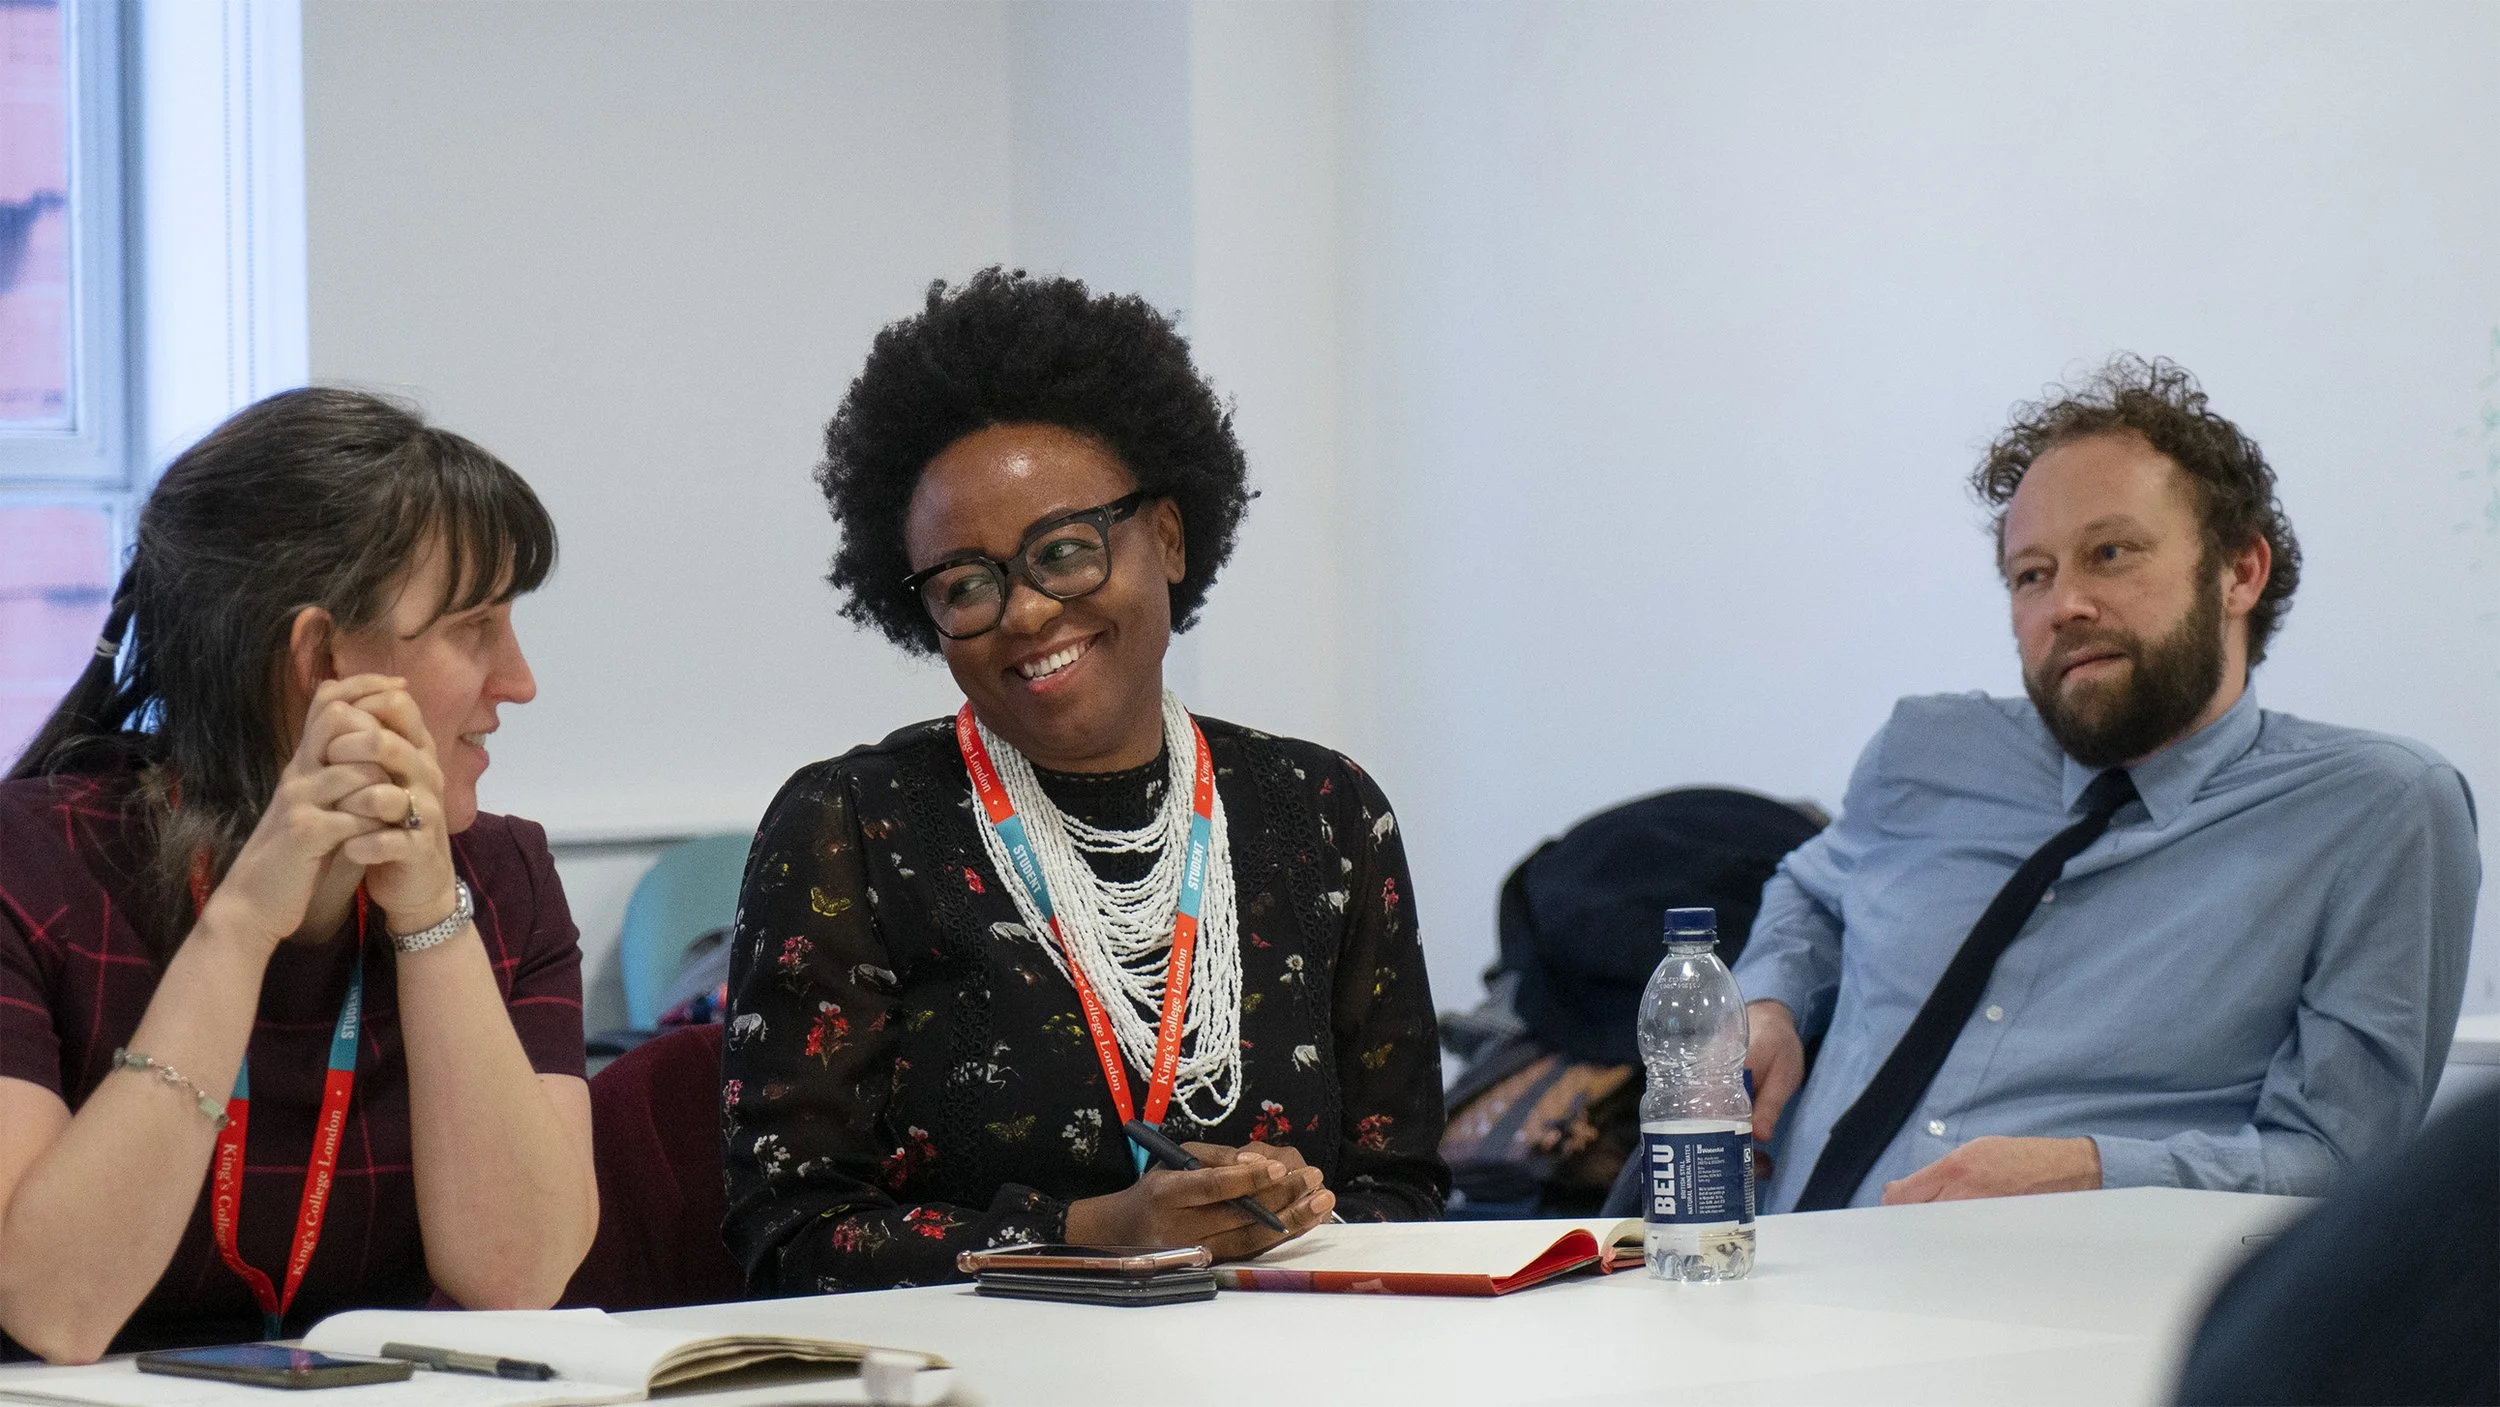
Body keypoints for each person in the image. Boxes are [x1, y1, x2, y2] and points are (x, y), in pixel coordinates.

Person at [721, 269, 1448, 1294]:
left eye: (1062, 551)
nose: (1022, 613)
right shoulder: (852, 826)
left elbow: (1405, 1195)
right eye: (966, 584)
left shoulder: (1324, 814)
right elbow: (792, 1240)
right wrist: (1092, 1233)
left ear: (1169, 538)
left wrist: (1298, 1212)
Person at [1734, 355, 2478, 1213]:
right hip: (1773, 1271)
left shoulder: (2379, 811)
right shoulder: (1927, 752)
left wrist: (2090, 1174)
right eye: (2032, 574)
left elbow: (2344, 1160)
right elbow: (1816, 890)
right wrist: (1769, 998)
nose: (2065, 605)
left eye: (2111, 553)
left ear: (2241, 572)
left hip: (2083, 1306)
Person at [0, 389, 597, 1361]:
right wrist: (238, 930)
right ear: (322, 660)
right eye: (474, 627)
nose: (517, 681)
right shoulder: (28, 870)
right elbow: (57, 1309)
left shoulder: (502, 874)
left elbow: (518, 1276)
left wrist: (428, 915)